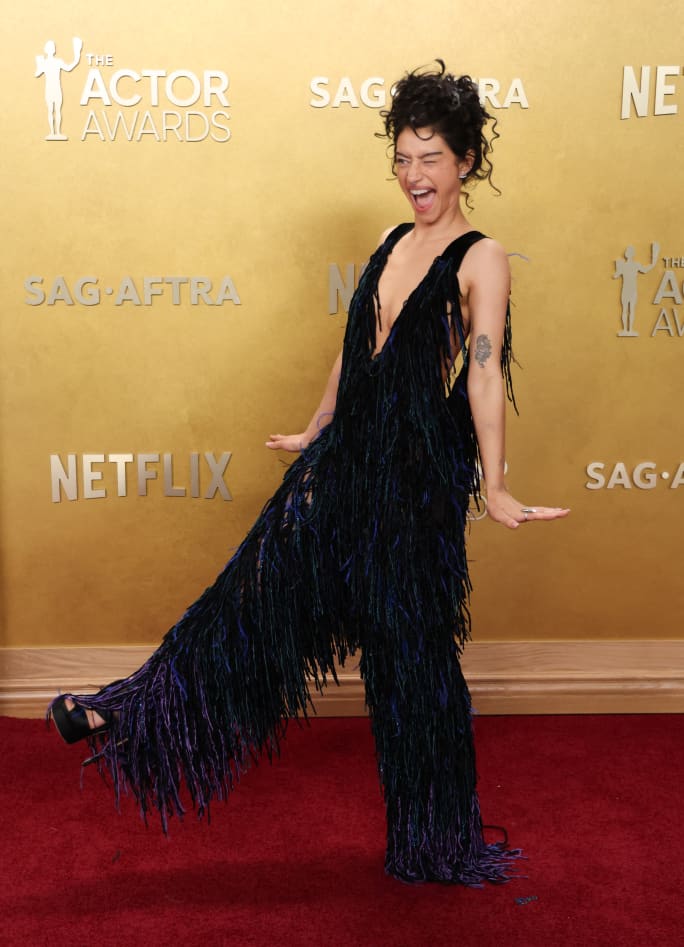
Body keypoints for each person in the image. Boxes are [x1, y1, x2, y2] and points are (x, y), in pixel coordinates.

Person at [50, 61, 569, 886]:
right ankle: (137, 711)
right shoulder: (395, 242)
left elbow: (482, 369)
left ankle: (436, 843)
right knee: (249, 601)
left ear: (466, 160)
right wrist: (318, 422)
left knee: (414, 666)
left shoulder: (483, 257)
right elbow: (353, 349)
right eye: (402, 159)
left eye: (430, 158)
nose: (413, 176)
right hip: (346, 468)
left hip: (412, 492)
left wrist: (495, 483)